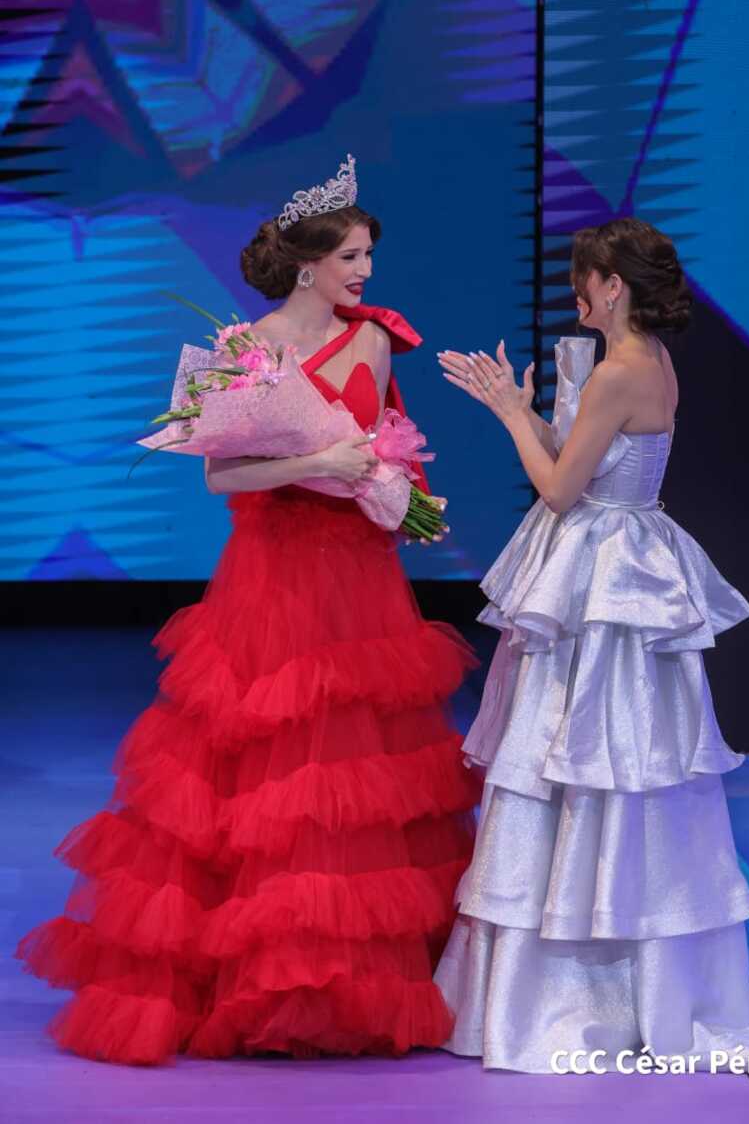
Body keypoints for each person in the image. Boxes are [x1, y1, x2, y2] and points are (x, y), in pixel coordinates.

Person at [16, 155, 480, 1065]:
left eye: (367, 255)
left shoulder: (374, 341)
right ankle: (260, 973)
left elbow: (387, 442)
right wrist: (319, 464)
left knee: (356, 764)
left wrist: (402, 493)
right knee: (272, 763)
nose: (365, 271)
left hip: (361, 574)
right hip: (274, 574)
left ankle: (355, 974)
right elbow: (222, 475)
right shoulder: (246, 349)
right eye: (350, 256)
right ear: (306, 264)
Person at [433, 217, 749, 1072]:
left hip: (606, 580)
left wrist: (509, 413)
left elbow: (559, 490)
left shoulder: (620, 371)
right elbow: (584, 466)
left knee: (586, 759)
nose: (575, 293)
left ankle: (575, 990)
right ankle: (607, 963)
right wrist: (531, 412)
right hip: (612, 569)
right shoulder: (644, 360)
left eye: (584, 280)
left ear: (613, 284)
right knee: (604, 763)